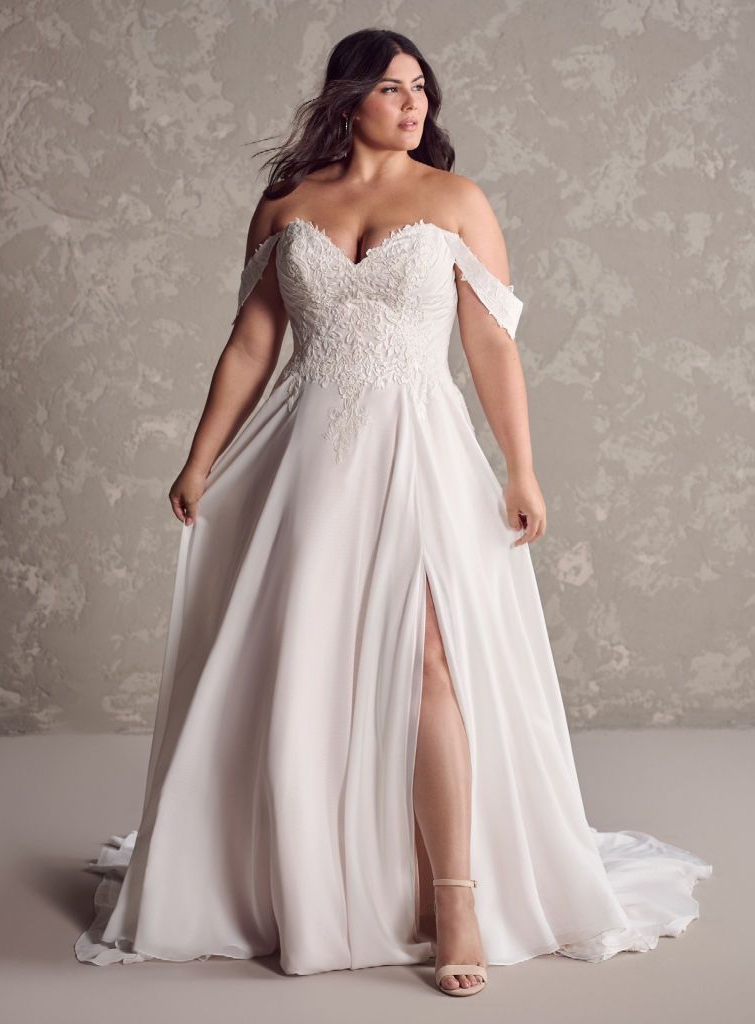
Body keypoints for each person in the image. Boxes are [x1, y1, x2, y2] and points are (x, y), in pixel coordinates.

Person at [75, 28, 711, 997]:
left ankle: (454, 896)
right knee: (309, 663)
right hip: (309, 456)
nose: (413, 103)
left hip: (420, 451)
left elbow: (492, 348)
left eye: (422, 88)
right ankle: (312, 883)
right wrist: (199, 457)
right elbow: (252, 343)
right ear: (348, 98)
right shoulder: (288, 205)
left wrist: (522, 468)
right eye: (391, 87)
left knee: (430, 657)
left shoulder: (457, 202)